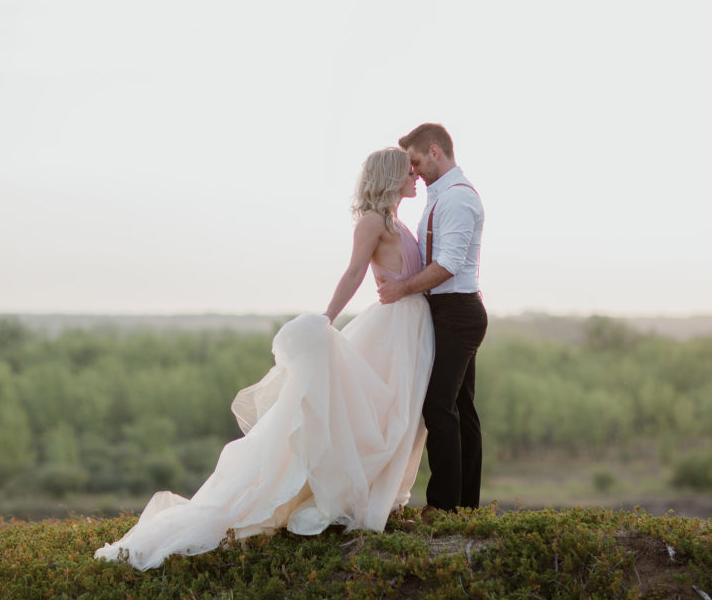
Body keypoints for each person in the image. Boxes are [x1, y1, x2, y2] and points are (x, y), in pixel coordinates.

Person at [95, 147, 434, 570]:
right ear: (390, 176)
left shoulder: (396, 221)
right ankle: (359, 499)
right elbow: (353, 273)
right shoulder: (371, 222)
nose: (416, 176)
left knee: (403, 417)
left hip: (410, 328)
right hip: (392, 329)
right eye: (408, 171)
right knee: (386, 415)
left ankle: (385, 496)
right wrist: (326, 320)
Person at [378, 123, 486, 512]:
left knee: (439, 405)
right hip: (451, 310)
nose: (414, 171)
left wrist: (401, 289)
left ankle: (443, 507)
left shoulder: (456, 199)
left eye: (417, 161)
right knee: (460, 407)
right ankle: (465, 507)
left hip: (457, 311)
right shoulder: (441, 196)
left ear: (435, 152)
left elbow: (448, 265)